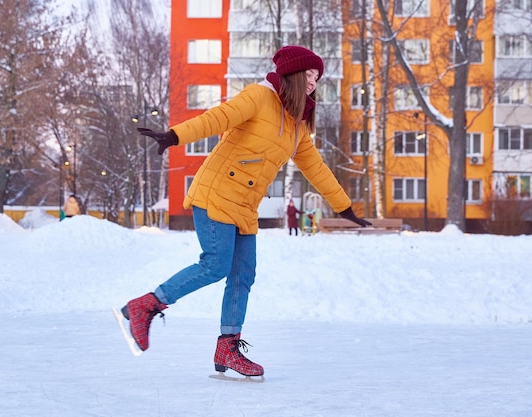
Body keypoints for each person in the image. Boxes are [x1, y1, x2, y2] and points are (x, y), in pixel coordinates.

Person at [120, 45, 371, 378]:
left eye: (317, 78)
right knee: (216, 265)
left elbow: (316, 168)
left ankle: (228, 345)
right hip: (216, 194)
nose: (313, 82)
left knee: (243, 276)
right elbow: (217, 118)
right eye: (309, 74)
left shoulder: (297, 125)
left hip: (245, 207)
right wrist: (175, 135)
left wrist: (344, 207)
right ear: (293, 74)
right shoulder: (258, 97)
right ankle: (147, 304)